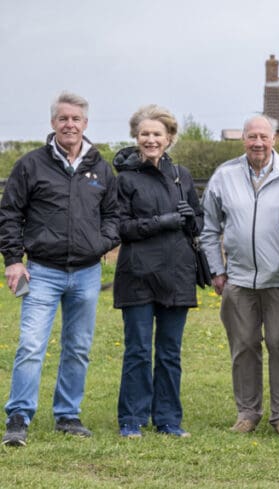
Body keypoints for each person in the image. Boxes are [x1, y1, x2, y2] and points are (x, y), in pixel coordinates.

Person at [0, 92, 119, 447]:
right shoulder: (30, 165)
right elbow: (9, 214)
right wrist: (13, 260)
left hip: (86, 273)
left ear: (86, 123)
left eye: (76, 119)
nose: (70, 124)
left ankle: (67, 415)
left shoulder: (100, 167)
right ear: (53, 123)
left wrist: (100, 245)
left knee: (78, 347)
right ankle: (19, 417)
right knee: (32, 345)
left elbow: (113, 216)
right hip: (42, 272)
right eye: (63, 119)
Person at [200, 115, 279, 438]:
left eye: (264, 136)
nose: (258, 143)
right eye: (251, 137)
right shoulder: (224, 175)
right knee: (243, 346)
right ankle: (247, 413)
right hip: (239, 281)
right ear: (242, 139)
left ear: (275, 138)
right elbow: (209, 229)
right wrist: (217, 270)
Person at [111, 105, 202, 439]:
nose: (151, 139)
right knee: (137, 350)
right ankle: (131, 418)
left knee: (169, 352)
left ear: (169, 139)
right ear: (136, 137)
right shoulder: (125, 179)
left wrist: (192, 218)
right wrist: (160, 222)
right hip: (137, 273)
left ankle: (167, 419)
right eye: (145, 134)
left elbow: (198, 220)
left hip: (176, 274)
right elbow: (119, 226)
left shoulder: (183, 175)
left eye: (157, 134)